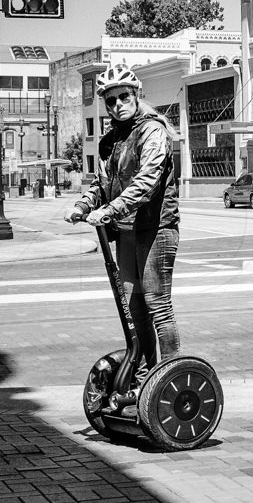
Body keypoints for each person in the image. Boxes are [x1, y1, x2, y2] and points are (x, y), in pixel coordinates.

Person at [64, 65, 182, 409]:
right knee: (134, 308)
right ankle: (144, 378)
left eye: (124, 97)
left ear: (136, 95)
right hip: (127, 232)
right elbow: (103, 183)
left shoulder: (152, 131)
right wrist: (83, 205)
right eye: (111, 100)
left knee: (157, 305)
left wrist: (110, 210)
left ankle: (170, 377)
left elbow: (148, 179)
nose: (117, 105)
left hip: (156, 229)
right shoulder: (112, 139)